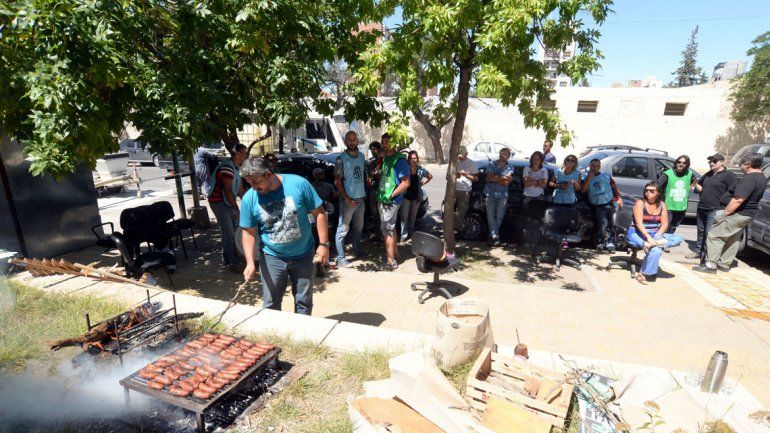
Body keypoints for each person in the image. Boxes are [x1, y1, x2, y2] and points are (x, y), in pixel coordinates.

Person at [240, 156, 329, 315]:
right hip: (272, 258)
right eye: (249, 183)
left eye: (255, 182)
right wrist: (250, 262)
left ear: (268, 174)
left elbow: (320, 214)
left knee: (304, 302)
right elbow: (248, 232)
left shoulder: (299, 184)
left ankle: (301, 330)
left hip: (304, 256)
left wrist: (323, 245)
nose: (253, 187)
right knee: (271, 304)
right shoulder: (249, 198)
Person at [693, 153, 767, 273]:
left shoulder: (749, 179)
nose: (740, 166)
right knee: (733, 239)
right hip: (747, 214)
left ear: (748, 164)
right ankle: (724, 264)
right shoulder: (761, 177)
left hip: (737, 213)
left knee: (715, 236)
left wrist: (725, 213)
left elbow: (738, 199)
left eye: (741, 164)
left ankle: (711, 265)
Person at [627, 182, 683, 283]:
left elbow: (664, 224)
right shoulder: (640, 203)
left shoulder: (662, 205)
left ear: (658, 193)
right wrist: (648, 237)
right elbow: (639, 224)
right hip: (637, 233)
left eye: (651, 191)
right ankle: (642, 273)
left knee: (679, 238)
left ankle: (652, 245)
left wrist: (655, 238)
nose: (648, 192)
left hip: (654, 235)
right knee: (656, 251)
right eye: (646, 190)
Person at [687, 153, 737, 261]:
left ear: (722, 162)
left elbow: (733, 192)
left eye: (715, 161)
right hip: (702, 207)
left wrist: (725, 206)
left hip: (715, 209)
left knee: (709, 233)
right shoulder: (709, 174)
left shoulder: (729, 175)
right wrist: (697, 186)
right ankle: (698, 251)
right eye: (710, 161)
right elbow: (699, 184)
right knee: (701, 231)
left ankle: (707, 256)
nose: (711, 163)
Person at [208, 144, 248, 272]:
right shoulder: (227, 167)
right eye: (245, 153)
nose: (246, 156)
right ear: (237, 155)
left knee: (231, 231)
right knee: (229, 234)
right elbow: (228, 191)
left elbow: (240, 189)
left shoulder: (236, 167)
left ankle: (226, 258)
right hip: (219, 202)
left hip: (227, 202)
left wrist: (248, 203)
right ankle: (233, 263)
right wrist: (236, 208)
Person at [376, 134, 410, 270]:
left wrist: (391, 195)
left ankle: (391, 262)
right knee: (391, 227)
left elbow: (406, 183)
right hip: (384, 199)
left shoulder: (400, 161)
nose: (384, 144)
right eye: (383, 142)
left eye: (388, 142)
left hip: (390, 201)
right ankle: (395, 254)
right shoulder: (387, 158)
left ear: (395, 144)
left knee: (387, 229)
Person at [333, 131, 367, 267]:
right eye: (349, 139)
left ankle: (358, 251)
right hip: (348, 201)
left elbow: (362, 176)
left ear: (357, 140)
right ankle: (341, 258)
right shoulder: (340, 158)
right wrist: (346, 199)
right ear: (345, 141)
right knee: (342, 230)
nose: (352, 141)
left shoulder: (362, 156)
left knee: (358, 228)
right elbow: (337, 182)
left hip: (360, 199)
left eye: (354, 139)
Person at [581, 158, 623, 251]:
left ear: (599, 167)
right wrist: (589, 178)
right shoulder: (585, 177)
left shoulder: (605, 176)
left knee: (613, 222)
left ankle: (610, 241)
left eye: (597, 166)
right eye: (592, 166)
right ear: (589, 166)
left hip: (610, 202)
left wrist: (619, 198)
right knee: (603, 223)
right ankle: (599, 241)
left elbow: (614, 187)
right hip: (598, 204)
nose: (594, 168)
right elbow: (583, 190)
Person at [658, 155, 696, 233]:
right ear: (676, 163)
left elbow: (694, 180)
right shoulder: (667, 174)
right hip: (668, 207)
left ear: (687, 165)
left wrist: (689, 188)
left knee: (673, 228)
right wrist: (661, 201)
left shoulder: (690, 174)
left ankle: (670, 239)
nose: (681, 164)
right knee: (665, 227)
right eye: (679, 162)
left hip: (681, 207)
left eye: (684, 163)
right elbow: (658, 187)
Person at [400, 151, 432, 241]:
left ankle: (411, 233)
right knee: (404, 217)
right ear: (408, 159)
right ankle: (404, 235)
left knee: (413, 216)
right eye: (411, 158)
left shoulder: (420, 169)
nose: (413, 160)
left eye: (415, 158)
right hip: (405, 195)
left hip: (416, 196)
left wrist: (421, 184)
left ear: (417, 159)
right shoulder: (405, 168)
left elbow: (430, 176)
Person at [484, 147, 513, 246]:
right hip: (490, 193)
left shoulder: (510, 167)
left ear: (509, 156)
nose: (504, 155)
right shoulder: (492, 164)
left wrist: (495, 178)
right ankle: (495, 237)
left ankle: (492, 236)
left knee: (499, 217)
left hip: (503, 195)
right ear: (500, 154)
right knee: (490, 217)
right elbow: (488, 178)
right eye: (502, 153)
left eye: (506, 154)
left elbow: (506, 183)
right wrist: (503, 178)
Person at [454, 145, 479, 233]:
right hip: (453, 189)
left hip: (465, 190)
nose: (460, 157)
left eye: (461, 155)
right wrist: (454, 175)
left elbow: (476, 178)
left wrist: (466, 175)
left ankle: (459, 230)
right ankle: (454, 227)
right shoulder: (455, 163)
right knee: (447, 209)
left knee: (461, 212)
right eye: (458, 155)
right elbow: (447, 177)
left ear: (466, 154)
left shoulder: (472, 163)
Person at [366, 141, 384, 239]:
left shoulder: (385, 160)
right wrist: (372, 176)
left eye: (376, 149)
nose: (374, 151)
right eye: (372, 150)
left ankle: (383, 234)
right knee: (374, 213)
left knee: (382, 213)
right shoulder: (371, 162)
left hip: (383, 190)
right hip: (373, 189)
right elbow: (370, 176)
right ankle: (377, 235)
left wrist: (376, 174)